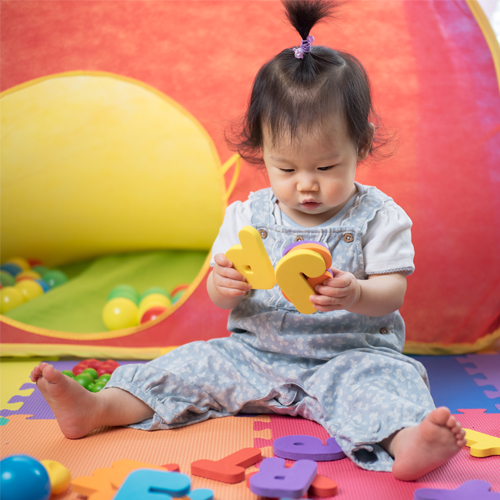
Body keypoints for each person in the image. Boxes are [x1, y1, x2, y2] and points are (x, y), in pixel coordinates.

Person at [31, 0, 465, 481]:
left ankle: (410, 442)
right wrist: (226, 284)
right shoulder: (247, 215)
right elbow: (220, 295)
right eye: (286, 168)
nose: (306, 185)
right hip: (252, 356)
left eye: (326, 168)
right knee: (189, 364)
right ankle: (100, 407)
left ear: (360, 146)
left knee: (389, 384)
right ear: (261, 150)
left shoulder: (379, 215)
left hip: (349, 357)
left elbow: (393, 292)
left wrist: (358, 292)